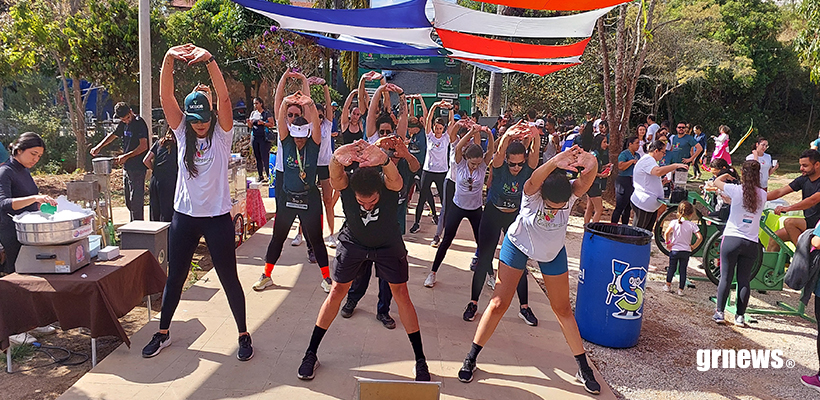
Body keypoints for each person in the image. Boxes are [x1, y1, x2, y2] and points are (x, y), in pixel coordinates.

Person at [456, 145, 601, 394]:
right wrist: (555, 160)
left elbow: (586, 181)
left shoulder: (569, 194)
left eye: (560, 207)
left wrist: (592, 162)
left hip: (552, 252)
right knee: (498, 303)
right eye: (551, 206)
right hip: (519, 245)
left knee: (563, 309)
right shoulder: (532, 194)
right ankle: (471, 357)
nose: (555, 210)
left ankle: (583, 368)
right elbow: (534, 179)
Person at [143, 44, 252, 361]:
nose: (200, 124)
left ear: (212, 116)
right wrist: (168, 58)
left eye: (205, 118)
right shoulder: (181, 133)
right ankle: (163, 333)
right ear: (187, 118)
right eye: (195, 119)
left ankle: (243, 335)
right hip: (185, 219)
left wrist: (210, 60)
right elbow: (166, 97)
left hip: (217, 219)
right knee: (175, 278)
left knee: (229, 279)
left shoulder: (222, 135)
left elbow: (225, 99)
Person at [297, 141, 430, 382]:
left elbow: (397, 180)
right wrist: (336, 158)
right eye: (362, 203)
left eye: (372, 202)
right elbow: (335, 178)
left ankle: (420, 360)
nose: (367, 206)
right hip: (354, 242)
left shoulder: (388, 185)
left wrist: (385, 159)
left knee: (401, 294)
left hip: (387, 243)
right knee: (337, 291)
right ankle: (310, 353)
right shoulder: (348, 184)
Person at [252, 89, 332, 293]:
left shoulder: (313, 145)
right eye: (296, 136)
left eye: (302, 137)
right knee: (277, 238)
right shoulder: (286, 141)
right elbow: (280, 121)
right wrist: (285, 102)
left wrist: (310, 104)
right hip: (288, 197)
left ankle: (326, 278)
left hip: (309, 199)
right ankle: (266, 275)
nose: (299, 140)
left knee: (316, 240)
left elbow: (316, 125)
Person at [466, 122, 540, 325]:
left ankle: (524, 308)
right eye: (512, 163)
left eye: (520, 164)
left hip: (514, 218)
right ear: (507, 160)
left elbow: (534, 155)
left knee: (519, 263)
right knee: (484, 259)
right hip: (493, 214)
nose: (516, 168)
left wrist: (535, 134)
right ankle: (473, 303)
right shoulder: (499, 167)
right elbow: (498, 153)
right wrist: (507, 135)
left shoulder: (527, 169)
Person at [423, 123, 494, 288]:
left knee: (481, 243)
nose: (475, 166)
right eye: (473, 163)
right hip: (458, 206)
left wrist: (489, 133)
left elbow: (490, 150)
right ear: (467, 159)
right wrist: (471, 132)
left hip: (475, 209)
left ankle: (491, 275)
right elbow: (458, 147)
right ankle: (432, 273)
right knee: (447, 239)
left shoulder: (482, 166)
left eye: (477, 163)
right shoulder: (460, 163)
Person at [711, 161, 766, 326]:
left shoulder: (735, 190)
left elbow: (716, 182)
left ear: (742, 173)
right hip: (751, 242)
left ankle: (720, 312)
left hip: (732, 238)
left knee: (725, 278)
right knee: (744, 280)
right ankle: (740, 316)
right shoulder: (763, 194)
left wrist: (726, 175)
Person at [0, 132, 56, 275]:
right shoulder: (5, 172)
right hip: (11, 234)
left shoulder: (24, 170)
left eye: (39, 156)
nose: (35, 159)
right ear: (19, 150)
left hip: (28, 232)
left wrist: (40, 205)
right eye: (33, 154)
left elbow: (24, 198)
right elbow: (4, 203)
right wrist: (34, 198)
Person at [90, 102, 148, 221]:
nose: (126, 121)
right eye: (123, 119)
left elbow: (144, 146)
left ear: (131, 111)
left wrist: (126, 156)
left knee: (136, 202)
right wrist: (99, 147)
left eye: (127, 118)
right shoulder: (123, 124)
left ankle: (138, 226)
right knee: (128, 201)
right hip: (127, 167)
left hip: (137, 167)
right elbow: (113, 135)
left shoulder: (139, 123)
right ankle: (133, 224)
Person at [409, 101, 455, 234]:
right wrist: (435, 105)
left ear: (443, 129)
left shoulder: (446, 137)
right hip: (428, 171)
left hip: (441, 172)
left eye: (440, 128)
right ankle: (417, 223)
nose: (438, 130)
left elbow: (451, 122)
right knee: (422, 197)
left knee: (444, 199)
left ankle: (445, 222)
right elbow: (428, 119)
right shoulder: (429, 136)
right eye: (436, 128)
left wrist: (450, 109)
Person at [765, 150, 820, 252]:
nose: (801, 168)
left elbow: (812, 200)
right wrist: (757, 198)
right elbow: (780, 191)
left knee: (790, 222)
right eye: (800, 165)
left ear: (817, 165)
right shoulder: (804, 179)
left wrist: (788, 208)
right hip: (808, 222)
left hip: (817, 225)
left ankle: (805, 256)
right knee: (775, 237)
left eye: (805, 165)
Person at [631, 141, 689, 231]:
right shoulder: (648, 160)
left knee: (646, 232)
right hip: (643, 204)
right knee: (637, 232)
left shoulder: (650, 161)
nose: (664, 155)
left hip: (649, 205)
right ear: (656, 151)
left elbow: (648, 180)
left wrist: (661, 183)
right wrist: (675, 165)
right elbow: (658, 172)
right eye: (663, 152)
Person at [309, 77, 338, 248]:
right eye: (316, 116)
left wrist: (325, 86)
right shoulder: (309, 127)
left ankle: (331, 235)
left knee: (328, 200)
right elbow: (306, 105)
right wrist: (306, 85)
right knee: (307, 201)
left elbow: (328, 105)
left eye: (321, 116)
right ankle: (300, 233)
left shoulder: (327, 125)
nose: (319, 119)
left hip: (326, 165)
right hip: (311, 166)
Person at [663, 200, 703, 295]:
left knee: (672, 268)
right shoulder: (692, 225)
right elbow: (700, 237)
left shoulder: (674, 222)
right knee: (683, 270)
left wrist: (668, 243)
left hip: (675, 249)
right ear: (691, 214)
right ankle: (680, 290)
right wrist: (694, 246)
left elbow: (666, 233)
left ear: (678, 212)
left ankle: (668, 285)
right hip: (686, 251)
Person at [143, 130, 178, 222]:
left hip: (155, 179)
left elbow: (146, 160)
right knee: (167, 211)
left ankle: (155, 230)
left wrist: (155, 170)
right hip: (170, 180)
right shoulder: (180, 143)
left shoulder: (159, 142)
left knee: (155, 210)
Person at [611, 137, 640, 224]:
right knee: (620, 206)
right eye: (636, 143)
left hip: (633, 181)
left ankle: (624, 226)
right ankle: (613, 225)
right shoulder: (624, 154)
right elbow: (620, 166)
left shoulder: (637, 155)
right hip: (623, 180)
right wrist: (631, 162)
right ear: (630, 144)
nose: (638, 145)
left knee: (628, 207)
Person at [584, 134, 612, 224]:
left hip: (592, 183)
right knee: (599, 209)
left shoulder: (597, 154)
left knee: (590, 207)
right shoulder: (594, 155)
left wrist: (604, 167)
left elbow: (595, 168)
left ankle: (586, 227)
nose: (606, 144)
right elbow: (589, 171)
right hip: (594, 184)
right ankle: (593, 227)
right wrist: (601, 175)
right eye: (604, 142)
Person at [247, 97, 275, 183]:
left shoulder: (266, 113)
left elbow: (272, 124)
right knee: (257, 157)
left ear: (261, 104)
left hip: (264, 137)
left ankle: (269, 175)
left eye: (257, 103)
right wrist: (249, 123)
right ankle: (260, 176)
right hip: (255, 136)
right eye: (254, 104)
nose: (255, 105)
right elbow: (250, 126)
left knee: (265, 157)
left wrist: (263, 123)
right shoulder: (253, 113)